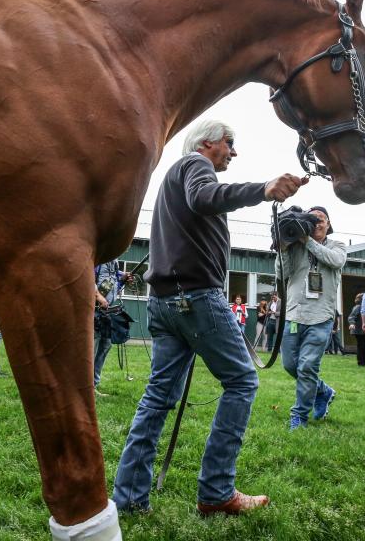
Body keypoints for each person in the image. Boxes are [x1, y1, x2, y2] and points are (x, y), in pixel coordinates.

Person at [112, 120, 307, 516]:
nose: (233, 152)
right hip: (196, 299)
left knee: (158, 397)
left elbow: (200, 204)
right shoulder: (194, 167)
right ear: (207, 143)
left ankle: (129, 498)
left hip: (166, 302)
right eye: (229, 143)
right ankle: (217, 492)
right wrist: (263, 189)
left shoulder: (176, 177)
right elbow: (205, 197)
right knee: (241, 380)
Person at [275, 206, 346, 428]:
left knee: (307, 367)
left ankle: (299, 416)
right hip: (294, 314)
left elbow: (335, 261)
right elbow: (282, 274)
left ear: (329, 224)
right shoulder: (296, 246)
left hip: (321, 317)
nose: (317, 222)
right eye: (312, 218)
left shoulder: (338, 245)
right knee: (289, 364)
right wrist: (284, 248)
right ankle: (323, 391)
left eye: (322, 218)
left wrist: (307, 241)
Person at [94, 259, 134, 393]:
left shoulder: (115, 262)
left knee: (105, 345)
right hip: (92, 311)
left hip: (107, 312)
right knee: (91, 348)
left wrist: (123, 278)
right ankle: (83, 387)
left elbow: (115, 280)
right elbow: (86, 277)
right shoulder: (98, 258)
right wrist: (98, 296)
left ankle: (93, 385)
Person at [347, 293, 365, 367]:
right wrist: (352, 323)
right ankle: (361, 363)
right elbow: (351, 317)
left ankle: (364, 362)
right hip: (359, 330)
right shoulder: (358, 307)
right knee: (361, 346)